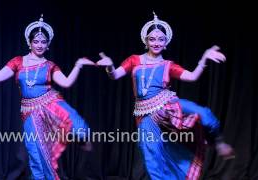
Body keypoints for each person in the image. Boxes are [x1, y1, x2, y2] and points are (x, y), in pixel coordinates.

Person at [96, 12, 234, 179]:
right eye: (152, 39)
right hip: (145, 115)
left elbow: (192, 77)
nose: (156, 42)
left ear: (166, 42)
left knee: (203, 113)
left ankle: (218, 141)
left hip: (168, 105)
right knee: (152, 156)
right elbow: (115, 75)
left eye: (161, 39)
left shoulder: (168, 65)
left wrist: (204, 58)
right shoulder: (134, 60)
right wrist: (110, 66)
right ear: (146, 41)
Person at [0, 15, 94, 180]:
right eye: (36, 41)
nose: (39, 45)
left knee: (78, 125)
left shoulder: (50, 66)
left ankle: (81, 140)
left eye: (43, 42)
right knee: (36, 153)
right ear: (29, 42)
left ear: (48, 44)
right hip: (30, 112)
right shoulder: (17, 62)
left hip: (51, 104)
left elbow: (66, 82)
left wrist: (78, 65)